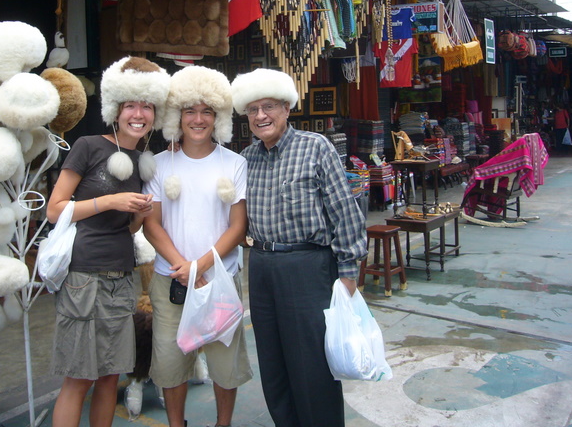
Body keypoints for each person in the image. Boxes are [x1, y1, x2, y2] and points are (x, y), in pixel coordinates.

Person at [230, 68, 367, 427]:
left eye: (269, 107)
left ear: (287, 108)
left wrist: (348, 274)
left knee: (312, 364)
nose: (261, 116)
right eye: (253, 109)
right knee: (273, 362)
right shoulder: (247, 158)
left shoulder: (315, 147)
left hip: (308, 266)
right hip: (262, 265)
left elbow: (344, 212)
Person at [46, 56, 170, 427]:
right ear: (116, 110)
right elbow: (54, 210)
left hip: (122, 278)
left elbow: (127, 230)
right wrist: (109, 201)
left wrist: (138, 216)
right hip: (83, 277)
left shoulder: (143, 162)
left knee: (111, 376)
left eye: (147, 106)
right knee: (79, 378)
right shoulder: (88, 146)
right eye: (130, 105)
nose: (139, 114)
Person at [142, 66, 252, 427]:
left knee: (224, 362)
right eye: (190, 110)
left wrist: (200, 266)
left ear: (219, 117)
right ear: (177, 115)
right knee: (170, 362)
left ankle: (223, 424)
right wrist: (184, 267)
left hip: (220, 279)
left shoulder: (235, 164)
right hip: (171, 280)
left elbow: (238, 227)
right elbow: (151, 223)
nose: (198, 119)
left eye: (207, 111)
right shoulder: (158, 165)